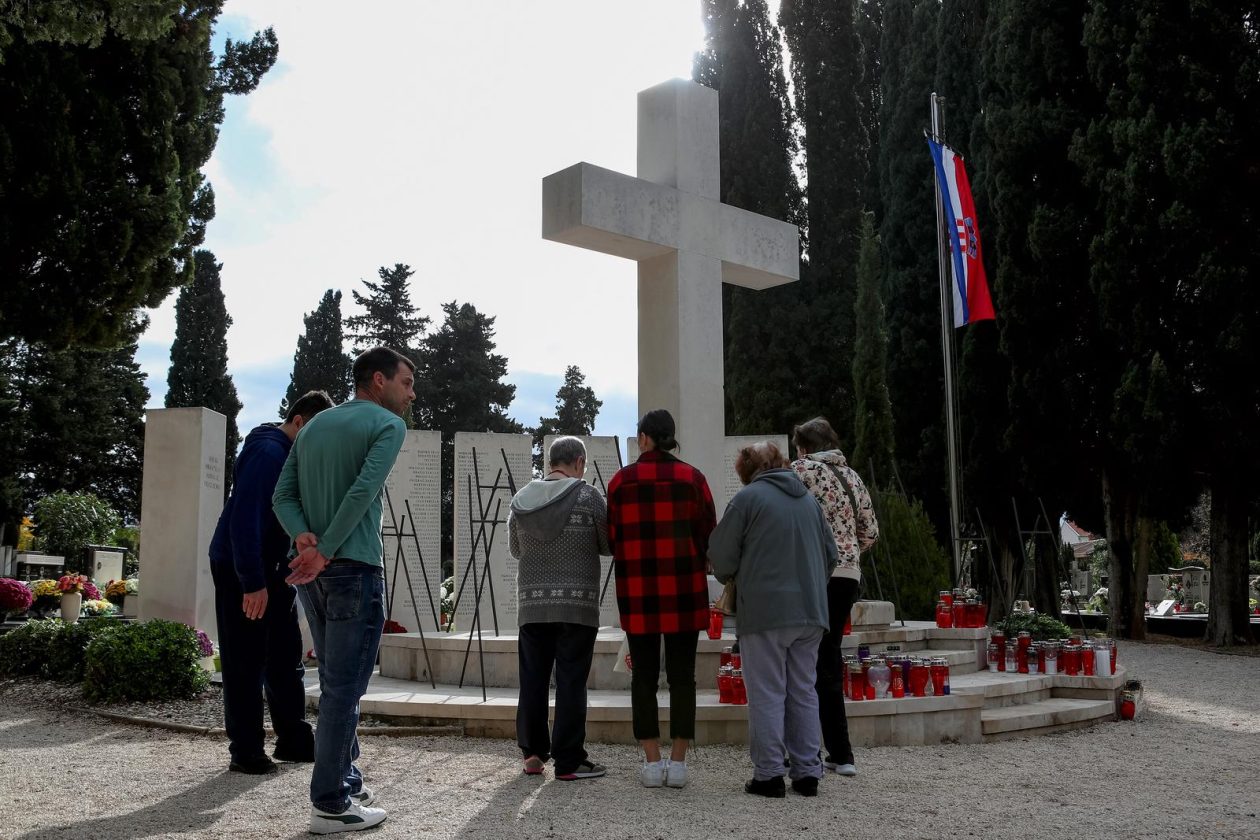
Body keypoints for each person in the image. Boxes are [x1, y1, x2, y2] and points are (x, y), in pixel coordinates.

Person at [273, 347, 414, 835]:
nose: (411, 394)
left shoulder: (312, 426)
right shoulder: (387, 425)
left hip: (315, 573)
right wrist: (327, 548)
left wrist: (303, 538)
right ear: (378, 380)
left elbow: (282, 496)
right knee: (343, 690)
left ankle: (346, 779)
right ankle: (330, 803)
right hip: (350, 567)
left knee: (336, 684)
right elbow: (363, 490)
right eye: (406, 382)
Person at [209, 390, 333, 775]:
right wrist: (252, 583)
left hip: (273, 568)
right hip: (242, 568)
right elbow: (244, 521)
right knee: (245, 658)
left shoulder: (285, 453)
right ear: (298, 422)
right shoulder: (267, 454)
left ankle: (293, 739)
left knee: (284, 653)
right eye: (316, 433)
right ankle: (245, 750)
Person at [709, 441, 837, 798]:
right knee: (803, 689)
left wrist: (735, 576)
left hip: (765, 612)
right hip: (811, 613)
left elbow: (720, 557)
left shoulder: (748, 500)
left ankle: (768, 775)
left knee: (767, 692)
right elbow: (831, 555)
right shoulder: (810, 502)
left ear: (747, 472)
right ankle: (807, 771)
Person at [606, 409, 716, 789]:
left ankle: (652, 761)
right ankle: (679, 761)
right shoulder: (693, 479)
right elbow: (708, 537)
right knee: (684, 677)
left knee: (644, 678)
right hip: (684, 592)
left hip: (638, 593)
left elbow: (612, 539)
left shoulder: (621, 482)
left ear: (643, 438)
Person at [509, 436, 612, 781]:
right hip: (576, 605)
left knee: (533, 680)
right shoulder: (588, 495)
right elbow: (608, 544)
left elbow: (514, 549)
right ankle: (569, 761)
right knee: (571, 681)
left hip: (533, 605)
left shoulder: (522, 499)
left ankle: (533, 754)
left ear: (550, 462)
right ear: (579, 462)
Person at [790, 416, 878, 777]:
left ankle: (804, 750)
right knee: (829, 658)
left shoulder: (801, 471)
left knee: (802, 661)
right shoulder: (853, 477)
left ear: (805, 447)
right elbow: (870, 532)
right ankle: (841, 753)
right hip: (848, 575)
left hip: (813, 573)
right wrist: (849, 551)